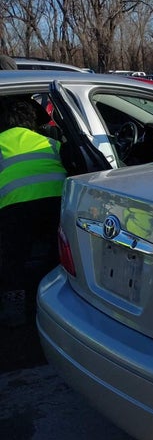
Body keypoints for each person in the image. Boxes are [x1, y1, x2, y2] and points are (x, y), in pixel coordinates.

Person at [0, 96, 67, 326]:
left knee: (12, 256)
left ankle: (14, 304)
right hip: (57, 204)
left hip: (14, 208)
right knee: (56, 252)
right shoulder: (50, 143)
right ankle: (52, 297)